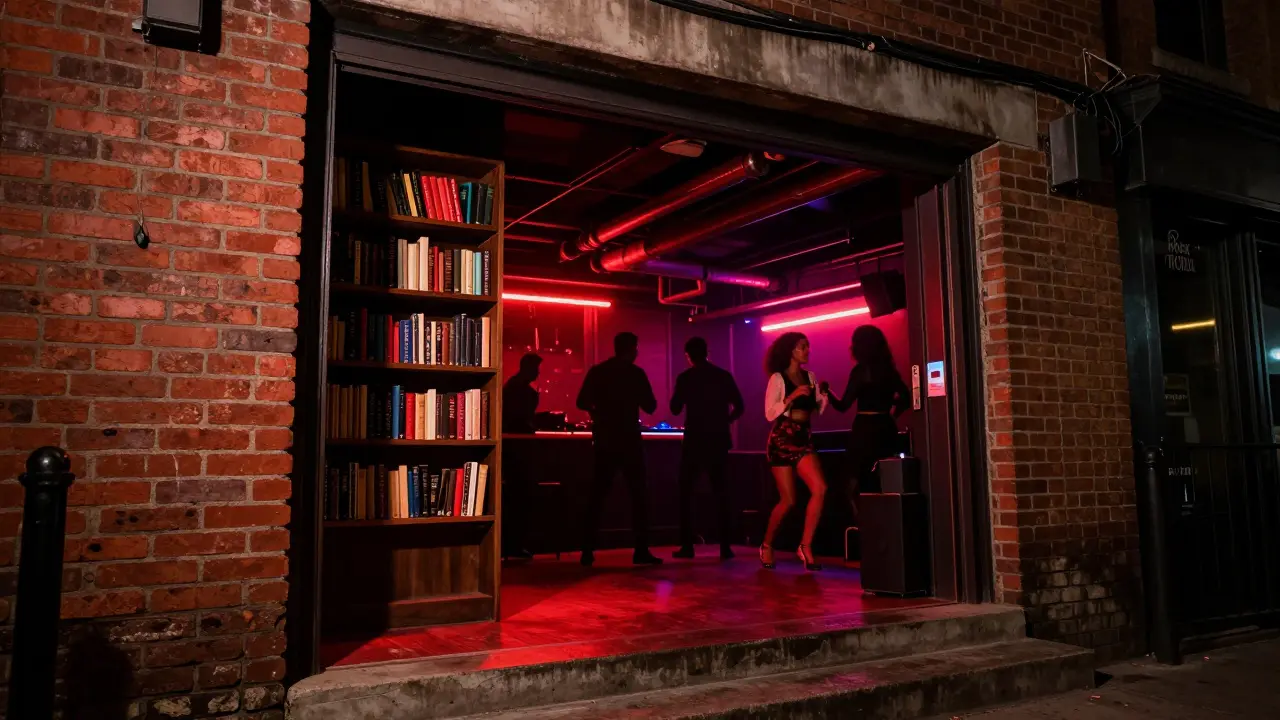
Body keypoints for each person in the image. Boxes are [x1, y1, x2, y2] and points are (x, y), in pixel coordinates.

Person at [576, 332, 662, 567]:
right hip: (629, 440)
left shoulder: (598, 372)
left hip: (605, 439)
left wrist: (597, 412)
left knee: (597, 495)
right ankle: (641, 550)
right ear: (632, 349)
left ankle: (587, 549)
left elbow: (581, 401)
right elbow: (651, 406)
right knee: (638, 495)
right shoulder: (636, 374)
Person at [669, 336, 745, 560]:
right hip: (719, 439)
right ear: (707, 351)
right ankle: (725, 546)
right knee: (721, 493)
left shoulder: (686, 378)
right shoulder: (723, 376)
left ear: (688, 356)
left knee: (685, 493)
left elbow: (674, 408)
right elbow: (740, 406)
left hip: (694, 441)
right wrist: (725, 420)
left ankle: (687, 546)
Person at [822, 326, 909, 518]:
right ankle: (887, 525)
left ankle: (865, 526)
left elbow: (844, 405)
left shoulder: (861, 371)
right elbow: (907, 398)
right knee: (884, 480)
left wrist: (827, 392)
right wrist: (891, 412)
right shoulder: (889, 370)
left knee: (854, 483)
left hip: (864, 429)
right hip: (886, 428)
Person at [760, 332, 829, 571]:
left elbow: (818, 409)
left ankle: (805, 545)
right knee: (788, 500)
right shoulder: (778, 378)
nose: (807, 351)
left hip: (804, 436)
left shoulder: (810, 377)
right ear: (791, 351)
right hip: (782, 438)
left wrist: (822, 397)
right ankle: (767, 544)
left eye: (808, 347)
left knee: (820, 488)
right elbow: (769, 413)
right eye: (802, 347)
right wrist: (791, 396)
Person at [501, 353, 542, 560]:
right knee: (520, 498)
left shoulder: (512, 387)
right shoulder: (522, 391)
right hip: (518, 452)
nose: (538, 373)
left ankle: (512, 545)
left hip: (513, 450)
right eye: (536, 368)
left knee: (515, 498)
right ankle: (514, 544)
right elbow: (520, 420)